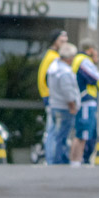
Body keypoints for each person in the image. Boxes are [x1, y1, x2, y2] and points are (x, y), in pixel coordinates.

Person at [70, 40, 99, 166]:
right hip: (85, 101)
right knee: (82, 134)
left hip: (86, 101)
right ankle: (76, 161)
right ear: (90, 49)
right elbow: (97, 79)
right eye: (95, 50)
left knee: (84, 133)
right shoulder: (83, 60)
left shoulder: (80, 59)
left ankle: (76, 161)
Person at [45, 43, 80, 165]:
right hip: (64, 108)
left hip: (56, 105)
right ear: (69, 57)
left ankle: (54, 159)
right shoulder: (64, 71)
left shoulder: (54, 67)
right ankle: (57, 161)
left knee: (55, 133)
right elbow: (68, 91)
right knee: (61, 136)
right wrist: (72, 106)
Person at [37, 29, 68, 159]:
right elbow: (45, 79)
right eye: (62, 41)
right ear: (55, 41)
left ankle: (52, 158)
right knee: (54, 131)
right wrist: (50, 96)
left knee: (52, 130)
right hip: (52, 98)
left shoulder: (50, 55)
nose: (64, 44)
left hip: (49, 97)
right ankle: (53, 159)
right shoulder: (53, 57)